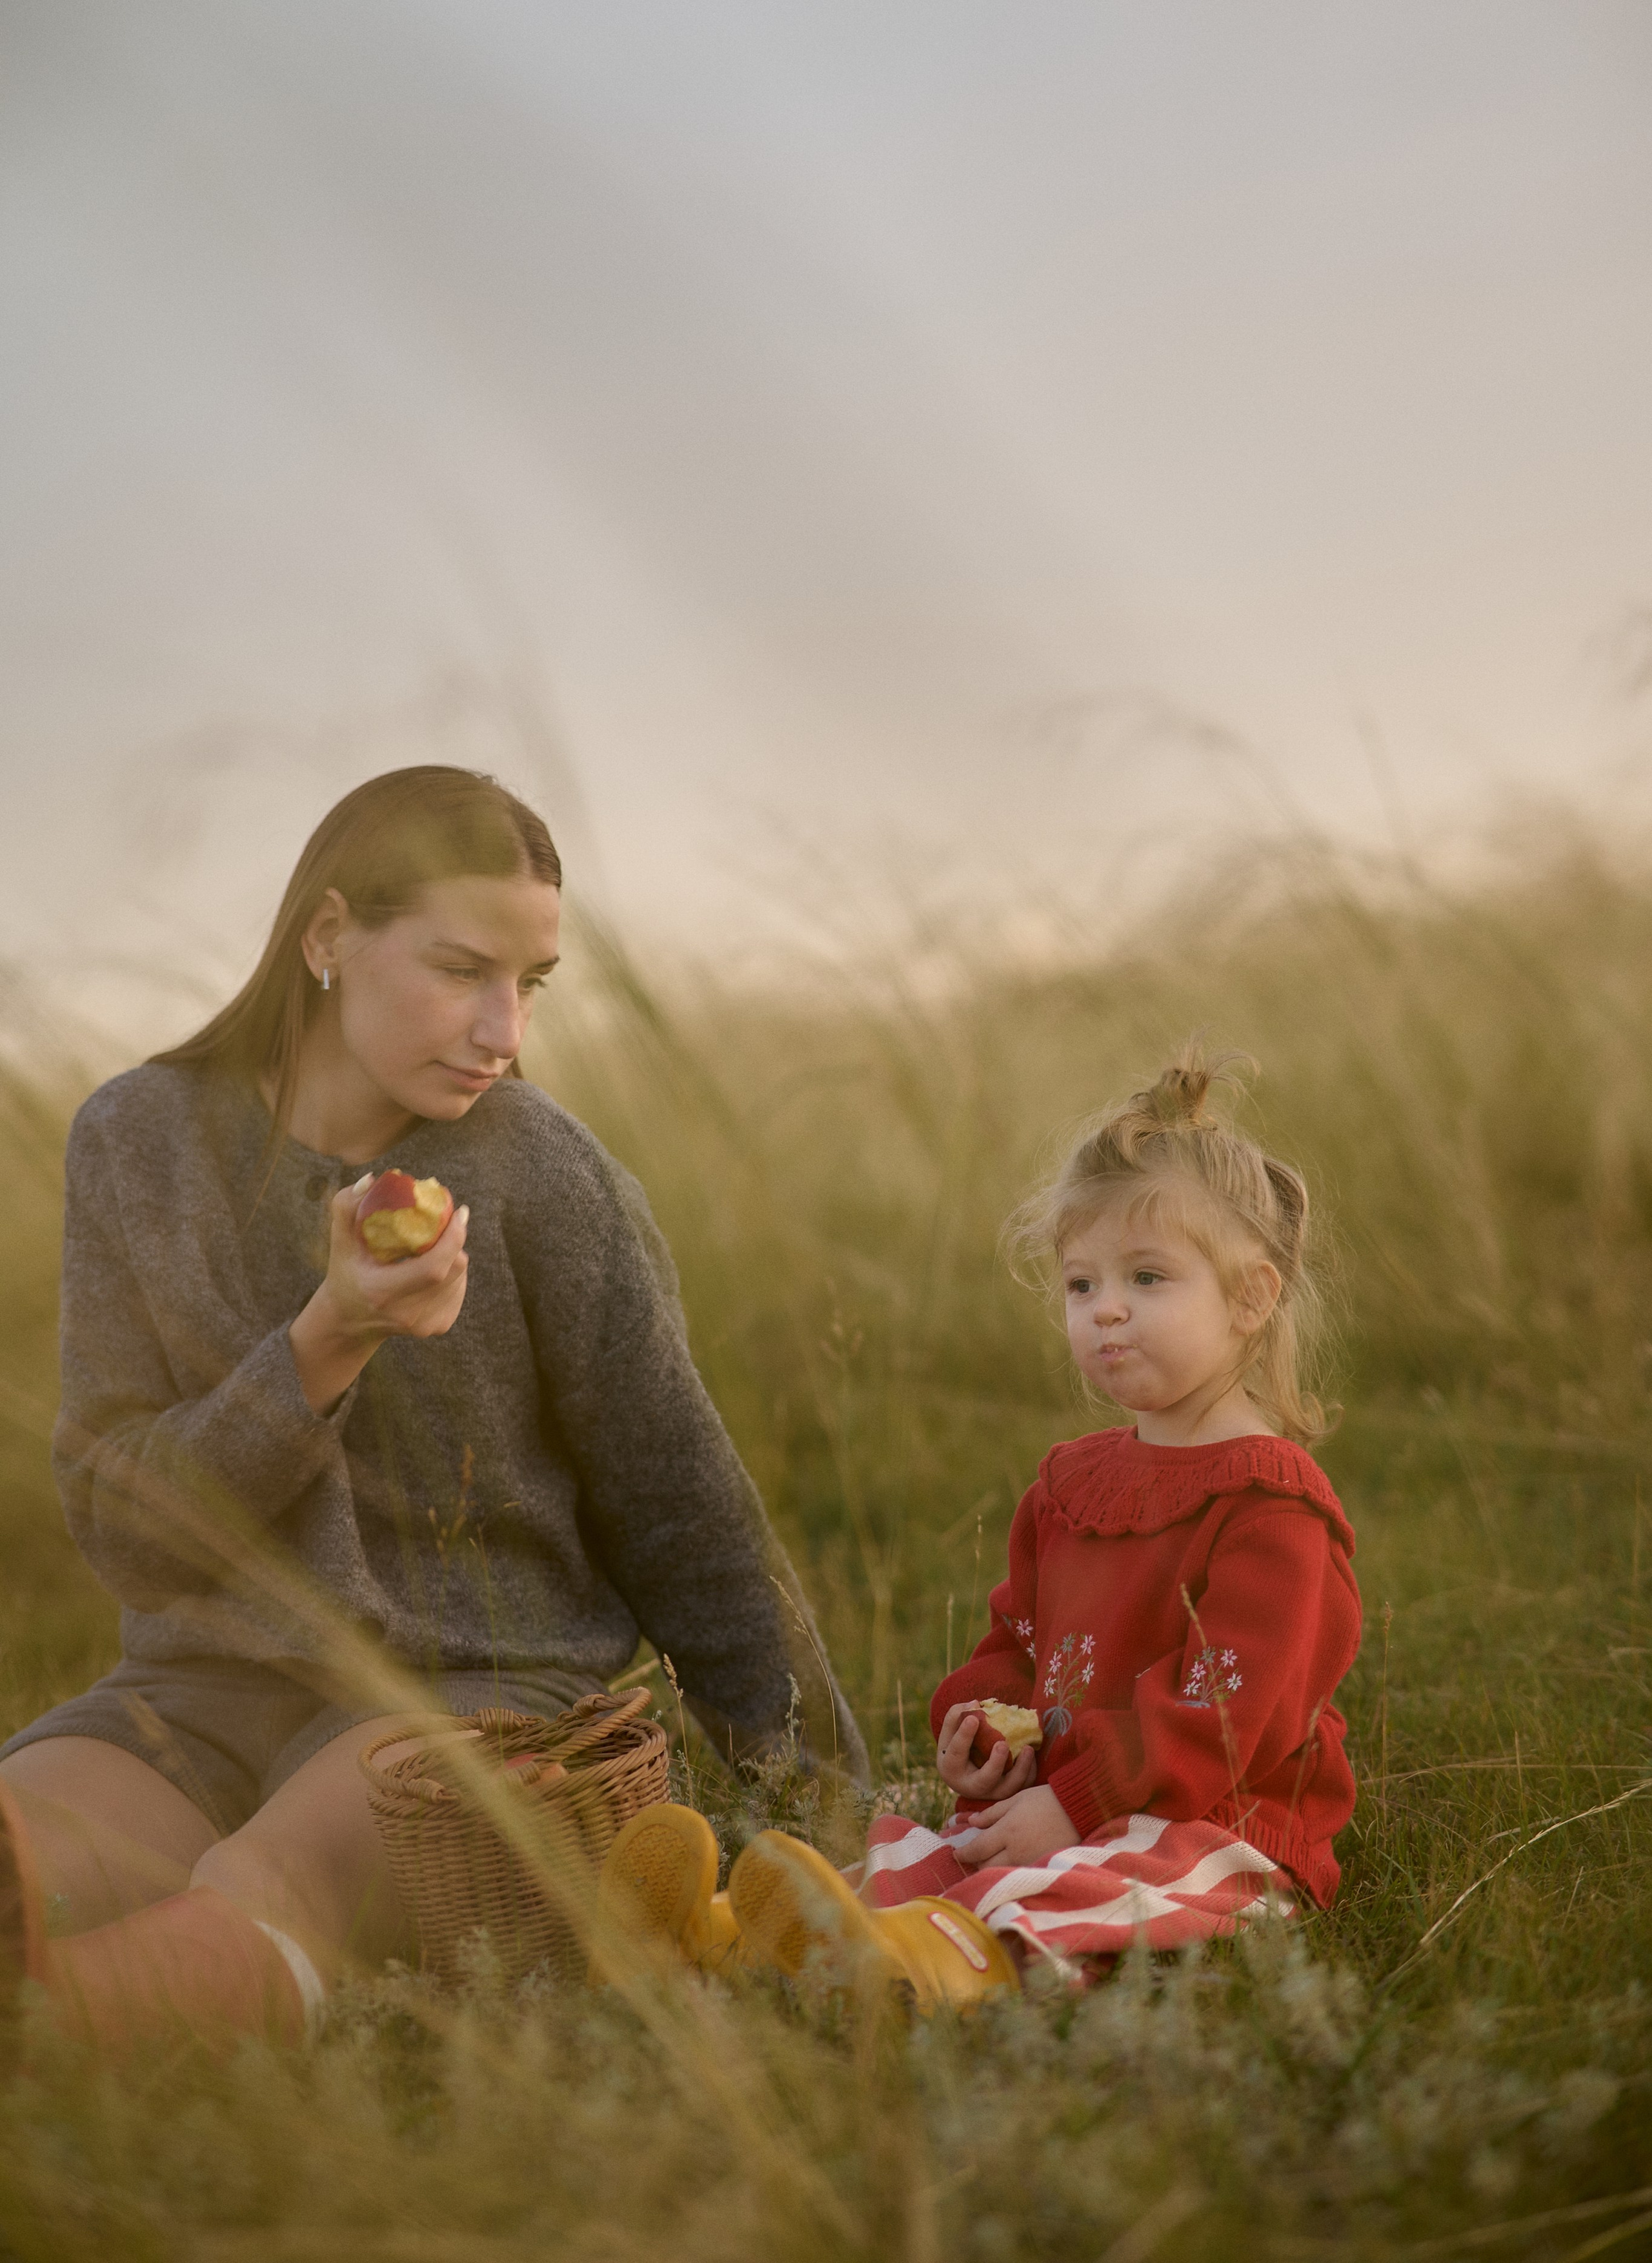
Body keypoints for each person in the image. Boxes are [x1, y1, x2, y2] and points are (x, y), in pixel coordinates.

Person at [0, 765, 861, 2051]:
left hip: (477, 1699)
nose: (504, 1029)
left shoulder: (542, 1174)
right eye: (462, 969)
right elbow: (126, 1528)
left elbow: (684, 1515)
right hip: (195, 1698)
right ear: (329, 935)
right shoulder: (138, 1143)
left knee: (258, 1890)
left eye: (532, 984)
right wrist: (325, 1340)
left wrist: (834, 1813)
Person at [599, 1046, 1358, 2000]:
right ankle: (716, 1931)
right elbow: (1020, 1639)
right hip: (1065, 1802)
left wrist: (1076, 1801)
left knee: (1069, 1889)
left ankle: (913, 1969)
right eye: (1082, 1285)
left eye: (1148, 1278)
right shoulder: (1071, 1484)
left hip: (1213, 1828)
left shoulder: (1270, 1506)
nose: (1107, 1310)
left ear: (1251, 1295)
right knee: (914, 1847)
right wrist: (993, 1733)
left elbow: (1235, 1716)